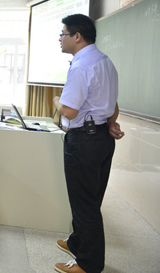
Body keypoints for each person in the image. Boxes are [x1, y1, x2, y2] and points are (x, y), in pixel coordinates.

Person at [52, 14, 124, 273]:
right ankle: (76, 242)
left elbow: (69, 112)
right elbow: (113, 107)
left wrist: (57, 102)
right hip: (102, 138)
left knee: (84, 204)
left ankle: (88, 265)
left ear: (77, 36)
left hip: (83, 141)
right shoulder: (105, 61)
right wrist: (109, 123)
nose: (60, 39)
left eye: (63, 34)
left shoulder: (81, 65)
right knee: (90, 199)